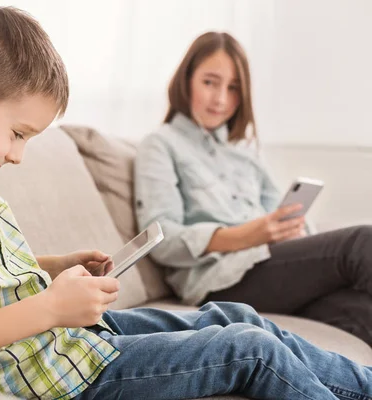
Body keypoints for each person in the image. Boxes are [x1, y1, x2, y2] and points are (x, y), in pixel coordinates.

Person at [0, 9, 372, 399]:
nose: (18, 156)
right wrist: (50, 306)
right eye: (18, 133)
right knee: (247, 349)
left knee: (235, 315)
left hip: (67, 343)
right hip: (53, 374)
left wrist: (53, 268)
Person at [134, 31, 372, 346]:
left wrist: (295, 230)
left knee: (361, 311)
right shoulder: (160, 144)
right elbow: (160, 239)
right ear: (186, 79)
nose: (220, 99)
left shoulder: (245, 151)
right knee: (361, 242)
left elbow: (281, 213)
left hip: (272, 265)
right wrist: (250, 234)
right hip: (221, 279)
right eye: (210, 82)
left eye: (233, 88)